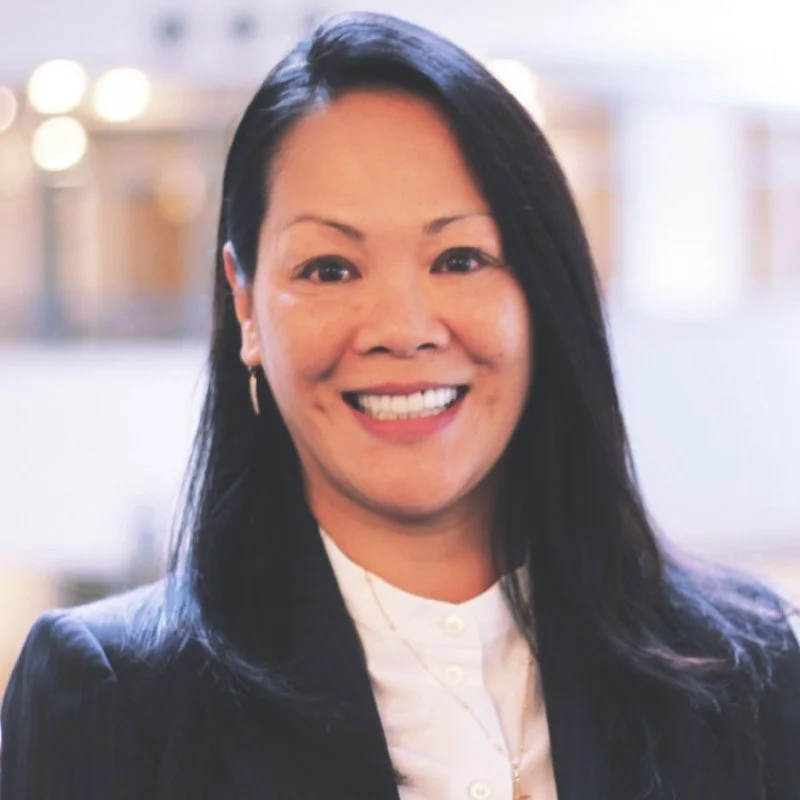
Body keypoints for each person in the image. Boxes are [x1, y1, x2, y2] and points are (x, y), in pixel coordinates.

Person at [2, 11, 798, 800]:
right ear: (245, 305)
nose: (403, 330)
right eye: (329, 269)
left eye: (460, 258)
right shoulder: (115, 696)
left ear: (541, 289)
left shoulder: (750, 670)